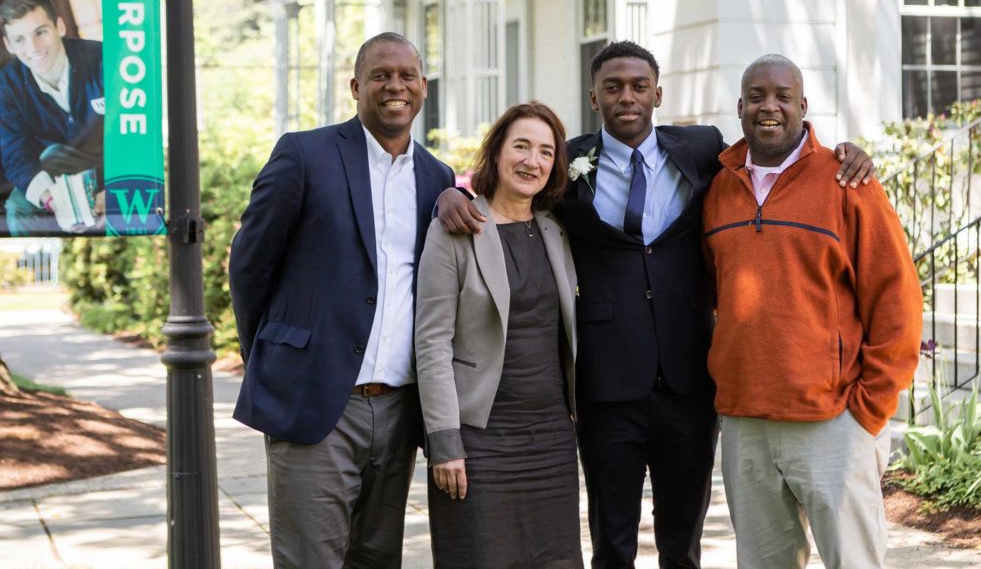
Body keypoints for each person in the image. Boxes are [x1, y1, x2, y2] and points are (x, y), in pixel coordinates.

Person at [437, 41, 876, 569]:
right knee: (612, 544)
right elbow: (505, 187)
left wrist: (842, 152)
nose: (628, 97)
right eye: (614, 87)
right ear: (594, 96)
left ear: (657, 94)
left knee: (682, 544)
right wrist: (450, 194)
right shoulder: (564, 162)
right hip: (606, 385)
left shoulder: (701, 149)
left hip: (689, 383)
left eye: (639, 86)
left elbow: (772, 153)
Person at [229, 32, 455, 568]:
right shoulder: (304, 154)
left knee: (377, 559)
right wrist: (270, 355)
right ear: (356, 87)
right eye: (380, 75)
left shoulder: (437, 178)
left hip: (399, 407)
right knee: (311, 559)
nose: (394, 86)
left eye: (406, 76)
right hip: (314, 401)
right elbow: (249, 264)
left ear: (423, 87)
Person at [702, 54, 923, 569]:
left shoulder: (847, 182)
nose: (769, 107)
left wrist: (868, 410)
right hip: (745, 420)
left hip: (832, 420)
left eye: (782, 96)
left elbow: (897, 299)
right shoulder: (718, 190)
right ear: (740, 107)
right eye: (756, 96)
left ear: (804, 106)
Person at [415, 101, 582, 568]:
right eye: (521, 147)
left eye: (546, 152)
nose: (533, 161)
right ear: (497, 153)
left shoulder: (556, 229)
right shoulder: (456, 228)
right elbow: (431, 343)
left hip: (551, 437)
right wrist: (444, 442)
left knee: (556, 559)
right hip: (479, 438)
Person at [0, 0, 104, 236]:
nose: (33, 47)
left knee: (52, 153)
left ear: (60, 27)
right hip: (58, 179)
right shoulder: (6, 87)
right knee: (18, 207)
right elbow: (16, 156)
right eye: (20, 39)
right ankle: (35, 269)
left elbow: (137, 130)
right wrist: (52, 201)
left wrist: (114, 188)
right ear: (8, 45)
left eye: (41, 32)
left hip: (111, 164)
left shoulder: (103, 59)